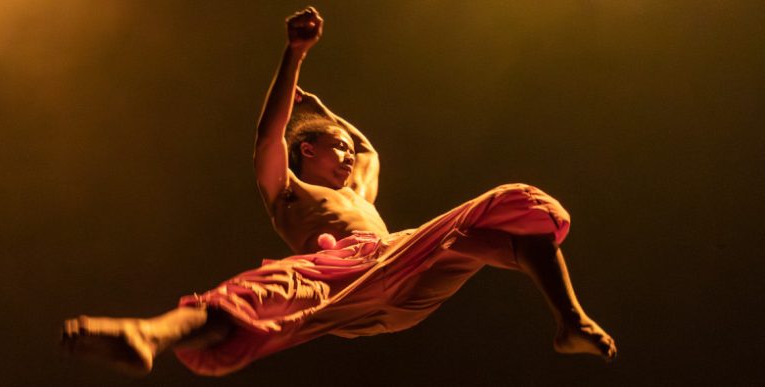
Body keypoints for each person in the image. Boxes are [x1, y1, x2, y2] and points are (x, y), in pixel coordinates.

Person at [60, 6, 616, 377]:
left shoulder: (362, 192)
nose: (350, 155)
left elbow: (371, 151)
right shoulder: (290, 193)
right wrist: (294, 55)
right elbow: (267, 135)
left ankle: (568, 319)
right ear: (308, 152)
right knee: (258, 295)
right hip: (335, 280)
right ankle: (147, 334)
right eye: (337, 146)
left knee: (509, 213)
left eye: (349, 149)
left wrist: (327, 111)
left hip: (402, 264)